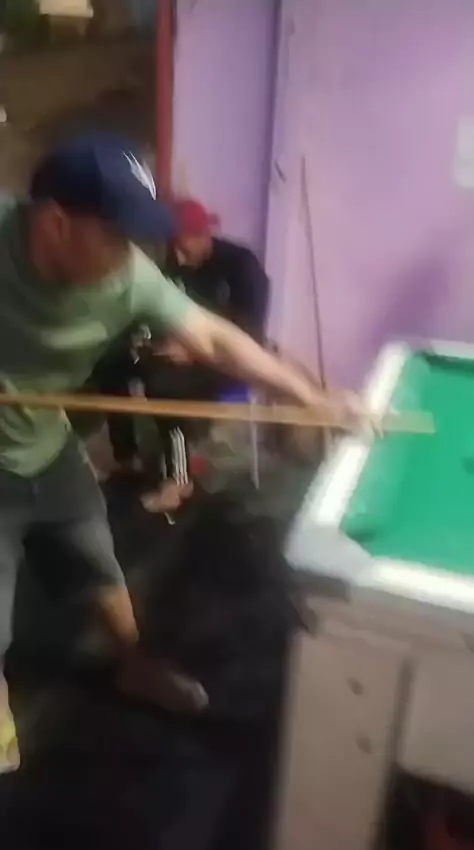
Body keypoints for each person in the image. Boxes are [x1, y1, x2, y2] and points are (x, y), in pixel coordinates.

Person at [0, 130, 365, 773]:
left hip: (49, 448)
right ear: (55, 223)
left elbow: (215, 340)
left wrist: (308, 395)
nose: (132, 253)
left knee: (99, 566)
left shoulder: (126, 279)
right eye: (115, 235)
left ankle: (134, 666)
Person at [139, 196, 271, 512]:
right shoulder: (177, 263)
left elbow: (250, 336)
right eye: (174, 246)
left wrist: (193, 353)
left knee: (165, 389)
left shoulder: (242, 266)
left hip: (237, 362)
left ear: (203, 235)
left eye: (183, 246)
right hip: (193, 354)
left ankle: (178, 479)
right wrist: (158, 342)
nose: (178, 255)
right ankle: (132, 458)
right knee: (127, 364)